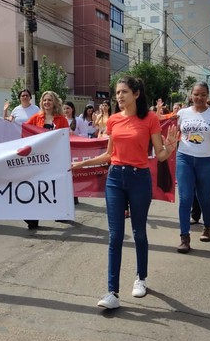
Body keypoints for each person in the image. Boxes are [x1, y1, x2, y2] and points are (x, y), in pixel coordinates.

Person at [71, 76, 178, 309]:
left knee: (139, 231)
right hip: (115, 178)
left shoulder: (150, 119)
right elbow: (110, 154)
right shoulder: (113, 121)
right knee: (115, 235)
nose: (119, 96)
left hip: (139, 178)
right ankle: (112, 293)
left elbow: (159, 154)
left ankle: (141, 278)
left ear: (136, 94)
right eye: (117, 92)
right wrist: (83, 163)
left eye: (124, 92)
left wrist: (170, 147)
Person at [175, 82, 210, 253]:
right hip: (185, 159)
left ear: (208, 96)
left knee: (204, 197)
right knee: (185, 198)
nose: (199, 98)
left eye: (203, 94)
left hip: (206, 161)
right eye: (196, 94)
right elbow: (174, 135)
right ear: (191, 95)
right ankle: (184, 237)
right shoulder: (182, 113)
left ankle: (207, 226)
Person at [24, 91, 69, 229]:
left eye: (49, 100)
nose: (46, 103)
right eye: (44, 100)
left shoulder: (61, 119)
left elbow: (67, 138)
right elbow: (24, 130)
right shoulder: (36, 117)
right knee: (37, 187)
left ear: (54, 102)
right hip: (39, 158)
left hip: (55, 158)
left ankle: (60, 212)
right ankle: (33, 218)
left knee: (53, 186)